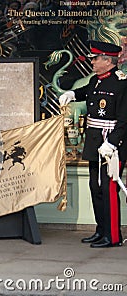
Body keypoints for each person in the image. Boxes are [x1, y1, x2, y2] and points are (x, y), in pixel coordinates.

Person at [59, 40, 127, 248]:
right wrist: (71, 94)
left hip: (111, 145)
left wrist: (113, 143)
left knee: (108, 189)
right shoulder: (96, 80)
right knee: (95, 187)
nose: (92, 62)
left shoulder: (122, 83)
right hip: (95, 142)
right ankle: (101, 230)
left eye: (95, 59)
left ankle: (113, 235)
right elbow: (86, 93)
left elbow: (125, 120)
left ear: (108, 61)